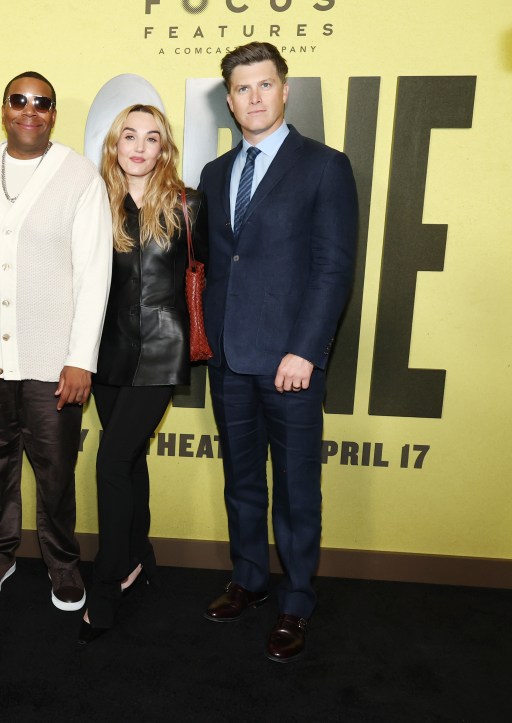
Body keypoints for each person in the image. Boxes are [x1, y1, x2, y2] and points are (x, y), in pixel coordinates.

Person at [198, 42, 357, 662]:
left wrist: (306, 350)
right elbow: (216, 264)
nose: (254, 98)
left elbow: (332, 269)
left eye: (265, 85)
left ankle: (295, 600)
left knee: (295, 487)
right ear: (230, 99)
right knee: (242, 481)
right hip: (230, 358)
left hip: (290, 361)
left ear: (285, 90)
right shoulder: (215, 175)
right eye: (242, 88)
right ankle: (248, 578)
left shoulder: (324, 166)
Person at [0, 71, 112, 611]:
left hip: (53, 362)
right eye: (19, 100)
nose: (30, 110)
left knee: (55, 473)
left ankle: (63, 565)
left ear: (52, 113)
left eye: (42, 103)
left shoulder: (81, 178)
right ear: (3, 108)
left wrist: (80, 359)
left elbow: (96, 275)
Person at [78, 105, 203, 643]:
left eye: (151, 139)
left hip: (161, 346)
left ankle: (107, 582)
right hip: (104, 348)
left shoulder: (186, 204)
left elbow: (213, 273)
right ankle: (139, 554)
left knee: (111, 461)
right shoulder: (91, 200)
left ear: (163, 149)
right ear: (114, 144)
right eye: (129, 136)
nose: (138, 146)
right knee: (128, 460)